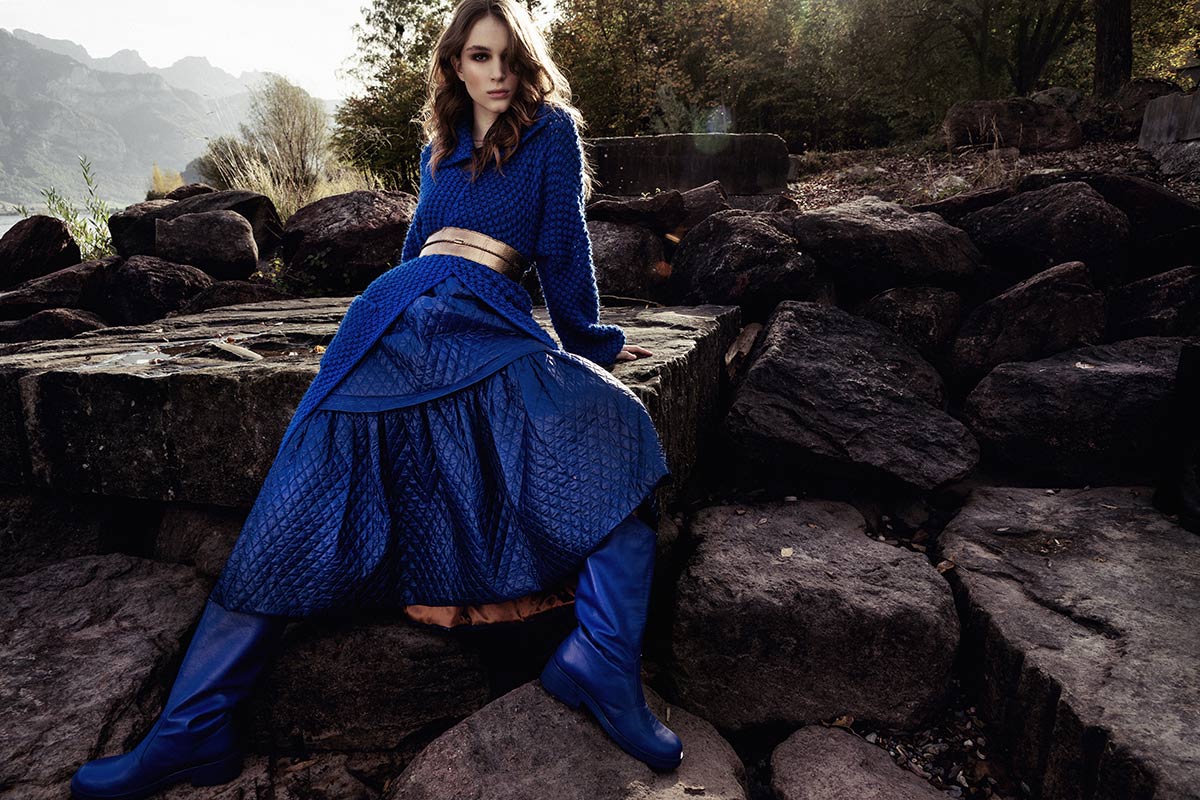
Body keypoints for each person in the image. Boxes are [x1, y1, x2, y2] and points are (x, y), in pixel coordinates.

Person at [68, 1, 683, 797]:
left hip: (485, 315)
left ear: (526, 60)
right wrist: (383, 318)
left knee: (616, 425)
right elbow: (413, 250)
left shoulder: (551, 132)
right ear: (455, 65)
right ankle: (191, 730)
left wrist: (591, 344)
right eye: (479, 56)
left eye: (508, 56)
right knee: (303, 484)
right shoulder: (438, 150)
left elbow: (564, 247)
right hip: (393, 313)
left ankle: (600, 661)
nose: (496, 72)